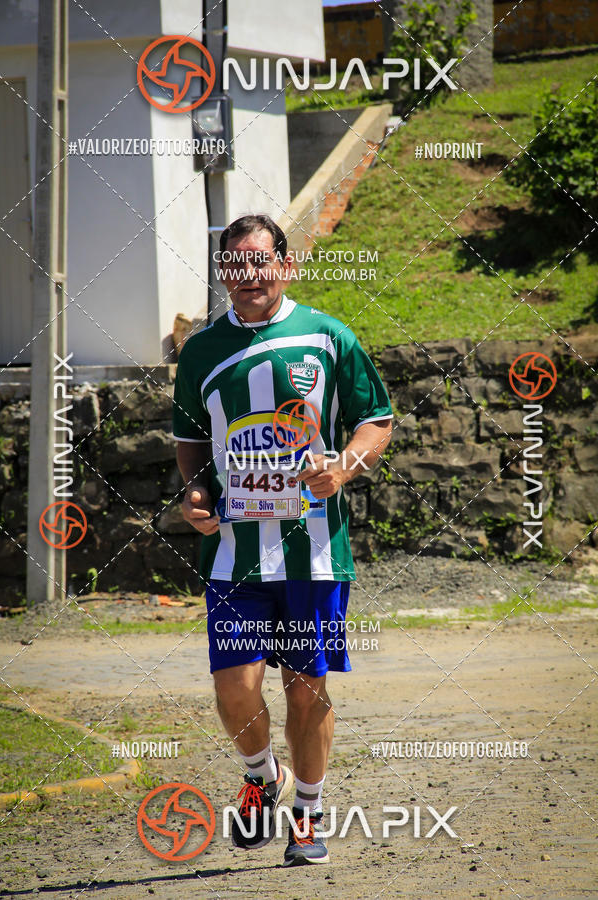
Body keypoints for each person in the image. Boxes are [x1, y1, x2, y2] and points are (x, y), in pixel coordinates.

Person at [172, 214, 392, 866]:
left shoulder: (328, 337)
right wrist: (195, 494)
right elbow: (191, 441)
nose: (249, 276)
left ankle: (309, 815)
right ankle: (263, 776)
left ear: (285, 266)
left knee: (305, 688)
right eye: (235, 265)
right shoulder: (201, 352)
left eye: (260, 262)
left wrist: (342, 467)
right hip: (233, 556)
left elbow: (376, 420)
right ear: (223, 273)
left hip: (314, 554)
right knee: (234, 688)